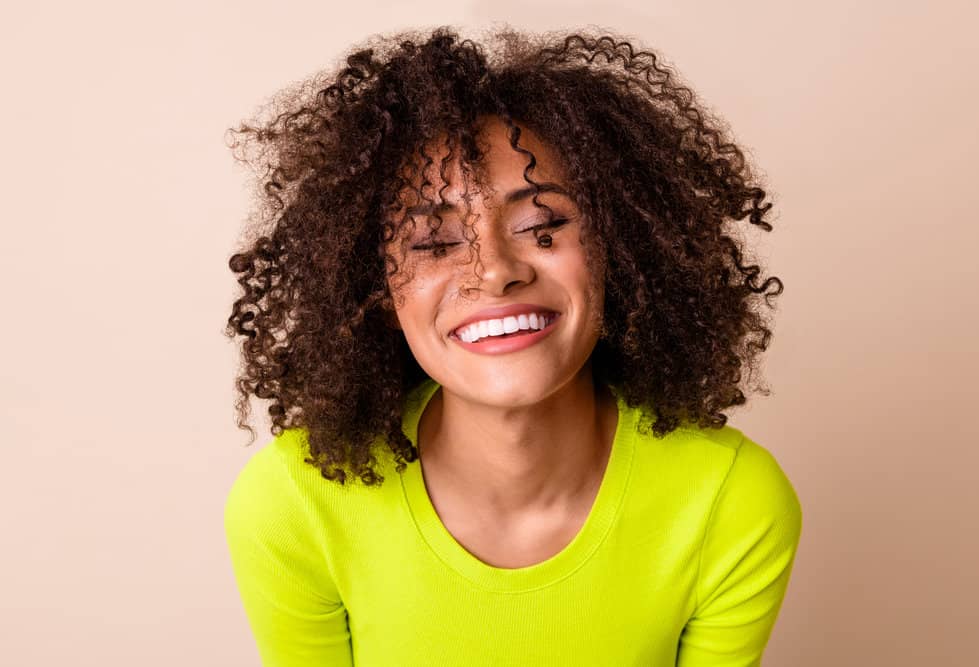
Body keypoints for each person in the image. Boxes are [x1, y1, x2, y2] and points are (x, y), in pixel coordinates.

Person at [223, 24, 802, 667]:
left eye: (541, 225)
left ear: (620, 249)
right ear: (377, 294)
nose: (494, 270)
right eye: (433, 243)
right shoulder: (293, 505)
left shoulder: (730, 500)